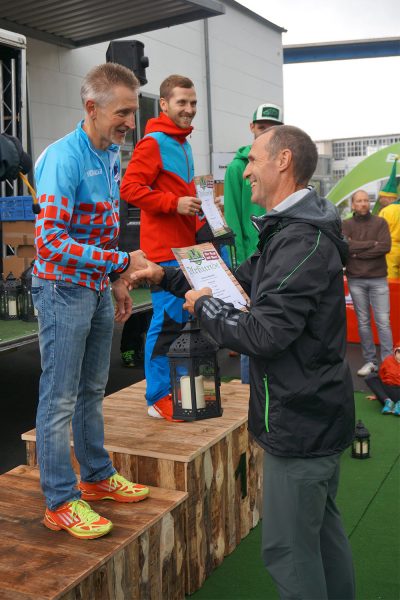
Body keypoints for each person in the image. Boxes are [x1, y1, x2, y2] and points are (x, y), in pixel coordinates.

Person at [130, 125, 356, 600]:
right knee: (320, 539)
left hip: (301, 422)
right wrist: (165, 275)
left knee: (290, 552)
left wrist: (205, 306)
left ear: (283, 161)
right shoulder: (291, 231)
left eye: (253, 159)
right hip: (312, 416)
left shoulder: (301, 242)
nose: (245, 170)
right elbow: (235, 280)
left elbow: (263, 334)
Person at [32, 63, 150, 541]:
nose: (129, 120)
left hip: (96, 286)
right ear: (91, 107)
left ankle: (96, 477)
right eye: (122, 111)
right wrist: (119, 260)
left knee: (91, 390)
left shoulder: (109, 153)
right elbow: (49, 242)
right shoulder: (63, 158)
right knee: (58, 398)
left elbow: (102, 225)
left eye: (132, 110)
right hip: (62, 289)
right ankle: (60, 501)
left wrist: (114, 278)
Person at [120, 74, 202, 421]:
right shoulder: (152, 142)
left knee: (186, 319)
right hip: (164, 251)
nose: (189, 109)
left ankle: (177, 388)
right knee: (167, 321)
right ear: (165, 104)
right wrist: (174, 204)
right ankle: (156, 396)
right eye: (182, 103)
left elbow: (183, 194)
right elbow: (129, 189)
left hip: (189, 249)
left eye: (193, 103)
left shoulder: (184, 144)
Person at [224, 102, 283, 383]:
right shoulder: (239, 168)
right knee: (250, 332)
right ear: (252, 128)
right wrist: (238, 263)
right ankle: (251, 394)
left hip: (280, 259)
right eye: (261, 127)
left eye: (272, 128)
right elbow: (233, 218)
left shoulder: (284, 162)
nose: (266, 132)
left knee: (275, 331)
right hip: (251, 262)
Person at [342, 189, 393, 376]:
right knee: (363, 322)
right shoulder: (346, 224)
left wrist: (356, 252)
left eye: (366, 200)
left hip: (379, 278)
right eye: (359, 201)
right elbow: (346, 247)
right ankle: (371, 361)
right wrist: (371, 244)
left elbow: (385, 247)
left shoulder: (380, 222)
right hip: (356, 280)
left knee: (383, 322)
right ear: (353, 204)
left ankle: (388, 362)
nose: (363, 203)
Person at [378, 157, 400, 279]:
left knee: (391, 280)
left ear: (390, 198)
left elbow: (378, 231)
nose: (381, 200)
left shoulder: (386, 211)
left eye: (382, 197)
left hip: (390, 250)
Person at [365, 342, 400, 415]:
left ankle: (398, 405)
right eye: (399, 351)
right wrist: (379, 394)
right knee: (371, 377)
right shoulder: (388, 361)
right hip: (389, 390)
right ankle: (388, 401)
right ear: (395, 351)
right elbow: (381, 376)